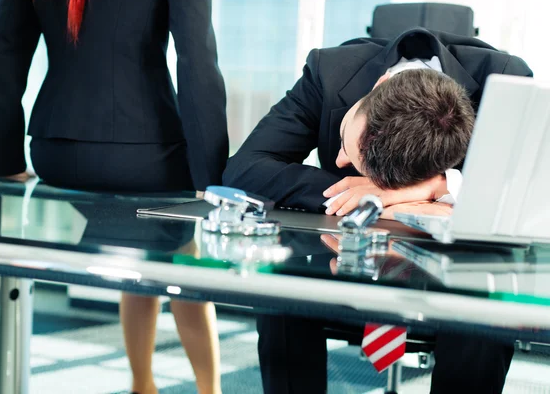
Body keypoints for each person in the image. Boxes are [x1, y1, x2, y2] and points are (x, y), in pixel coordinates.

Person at [223, 28, 532, 393]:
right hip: (343, 254)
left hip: (452, 266)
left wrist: (443, 186)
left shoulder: (505, 80)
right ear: (379, 83)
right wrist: (361, 193)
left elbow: (527, 191)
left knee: (486, 308)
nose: (339, 159)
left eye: (345, 149)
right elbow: (245, 168)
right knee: (282, 288)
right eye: (343, 140)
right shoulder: (329, 69)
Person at [0, 0, 228, 394]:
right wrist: (210, 176)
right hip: (145, 154)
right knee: (184, 261)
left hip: (56, 153)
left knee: (138, 254)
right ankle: (209, 389)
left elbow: (2, 52)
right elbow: (197, 58)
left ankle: (141, 384)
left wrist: (4, 161)